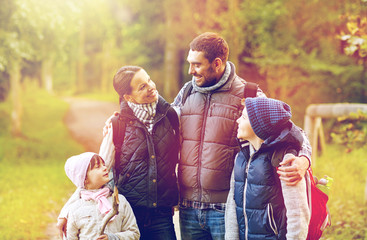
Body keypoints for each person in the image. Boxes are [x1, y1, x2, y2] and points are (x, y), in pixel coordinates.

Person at [171, 32, 312, 240]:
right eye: (189, 64)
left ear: (217, 63)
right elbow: (163, 125)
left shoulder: (249, 94)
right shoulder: (186, 92)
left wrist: (304, 160)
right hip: (188, 209)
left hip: (225, 210)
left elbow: (293, 132)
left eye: (197, 65)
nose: (191, 71)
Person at [57, 66, 180, 240]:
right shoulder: (117, 126)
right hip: (128, 216)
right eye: (142, 87)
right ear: (128, 97)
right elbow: (96, 175)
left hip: (162, 215)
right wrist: (66, 210)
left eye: (149, 80)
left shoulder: (171, 116)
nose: (151, 87)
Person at [225, 97, 310, 240]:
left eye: (244, 117)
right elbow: (231, 206)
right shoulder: (241, 157)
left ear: (259, 127)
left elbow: (298, 215)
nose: (238, 120)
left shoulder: (285, 159)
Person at [63, 152, 140, 240]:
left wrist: (113, 238)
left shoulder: (120, 201)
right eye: (97, 167)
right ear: (84, 178)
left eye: (103, 165)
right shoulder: (75, 209)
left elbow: (134, 234)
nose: (104, 168)